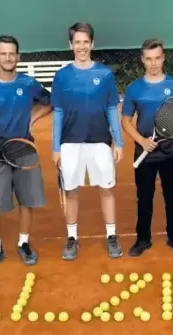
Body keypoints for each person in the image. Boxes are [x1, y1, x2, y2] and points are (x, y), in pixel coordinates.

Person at [0, 35, 53, 272]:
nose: (8, 57)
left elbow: (51, 102)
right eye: (3, 53)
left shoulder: (28, 84)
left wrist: (33, 118)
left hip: (24, 149)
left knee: (26, 201)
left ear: (18, 56)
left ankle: (23, 243)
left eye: (12, 53)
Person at [51, 22, 124, 260]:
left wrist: (119, 141)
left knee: (106, 189)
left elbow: (112, 108)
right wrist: (55, 147)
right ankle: (72, 238)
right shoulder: (62, 76)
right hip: (70, 143)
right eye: (77, 42)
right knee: (71, 191)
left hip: (100, 142)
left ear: (92, 44)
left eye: (85, 42)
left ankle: (111, 235)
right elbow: (58, 112)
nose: (82, 47)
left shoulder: (104, 74)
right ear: (70, 45)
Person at [121, 38, 173, 257]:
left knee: (172, 196)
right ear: (142, 60)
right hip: (145, 153)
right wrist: (141, 141)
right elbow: (125, 121)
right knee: (144, 197)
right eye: (149, 59)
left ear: (163, 58)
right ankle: (143, 239)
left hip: (171, 152)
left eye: (157, 58)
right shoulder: (134, 89)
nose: (153, 63)